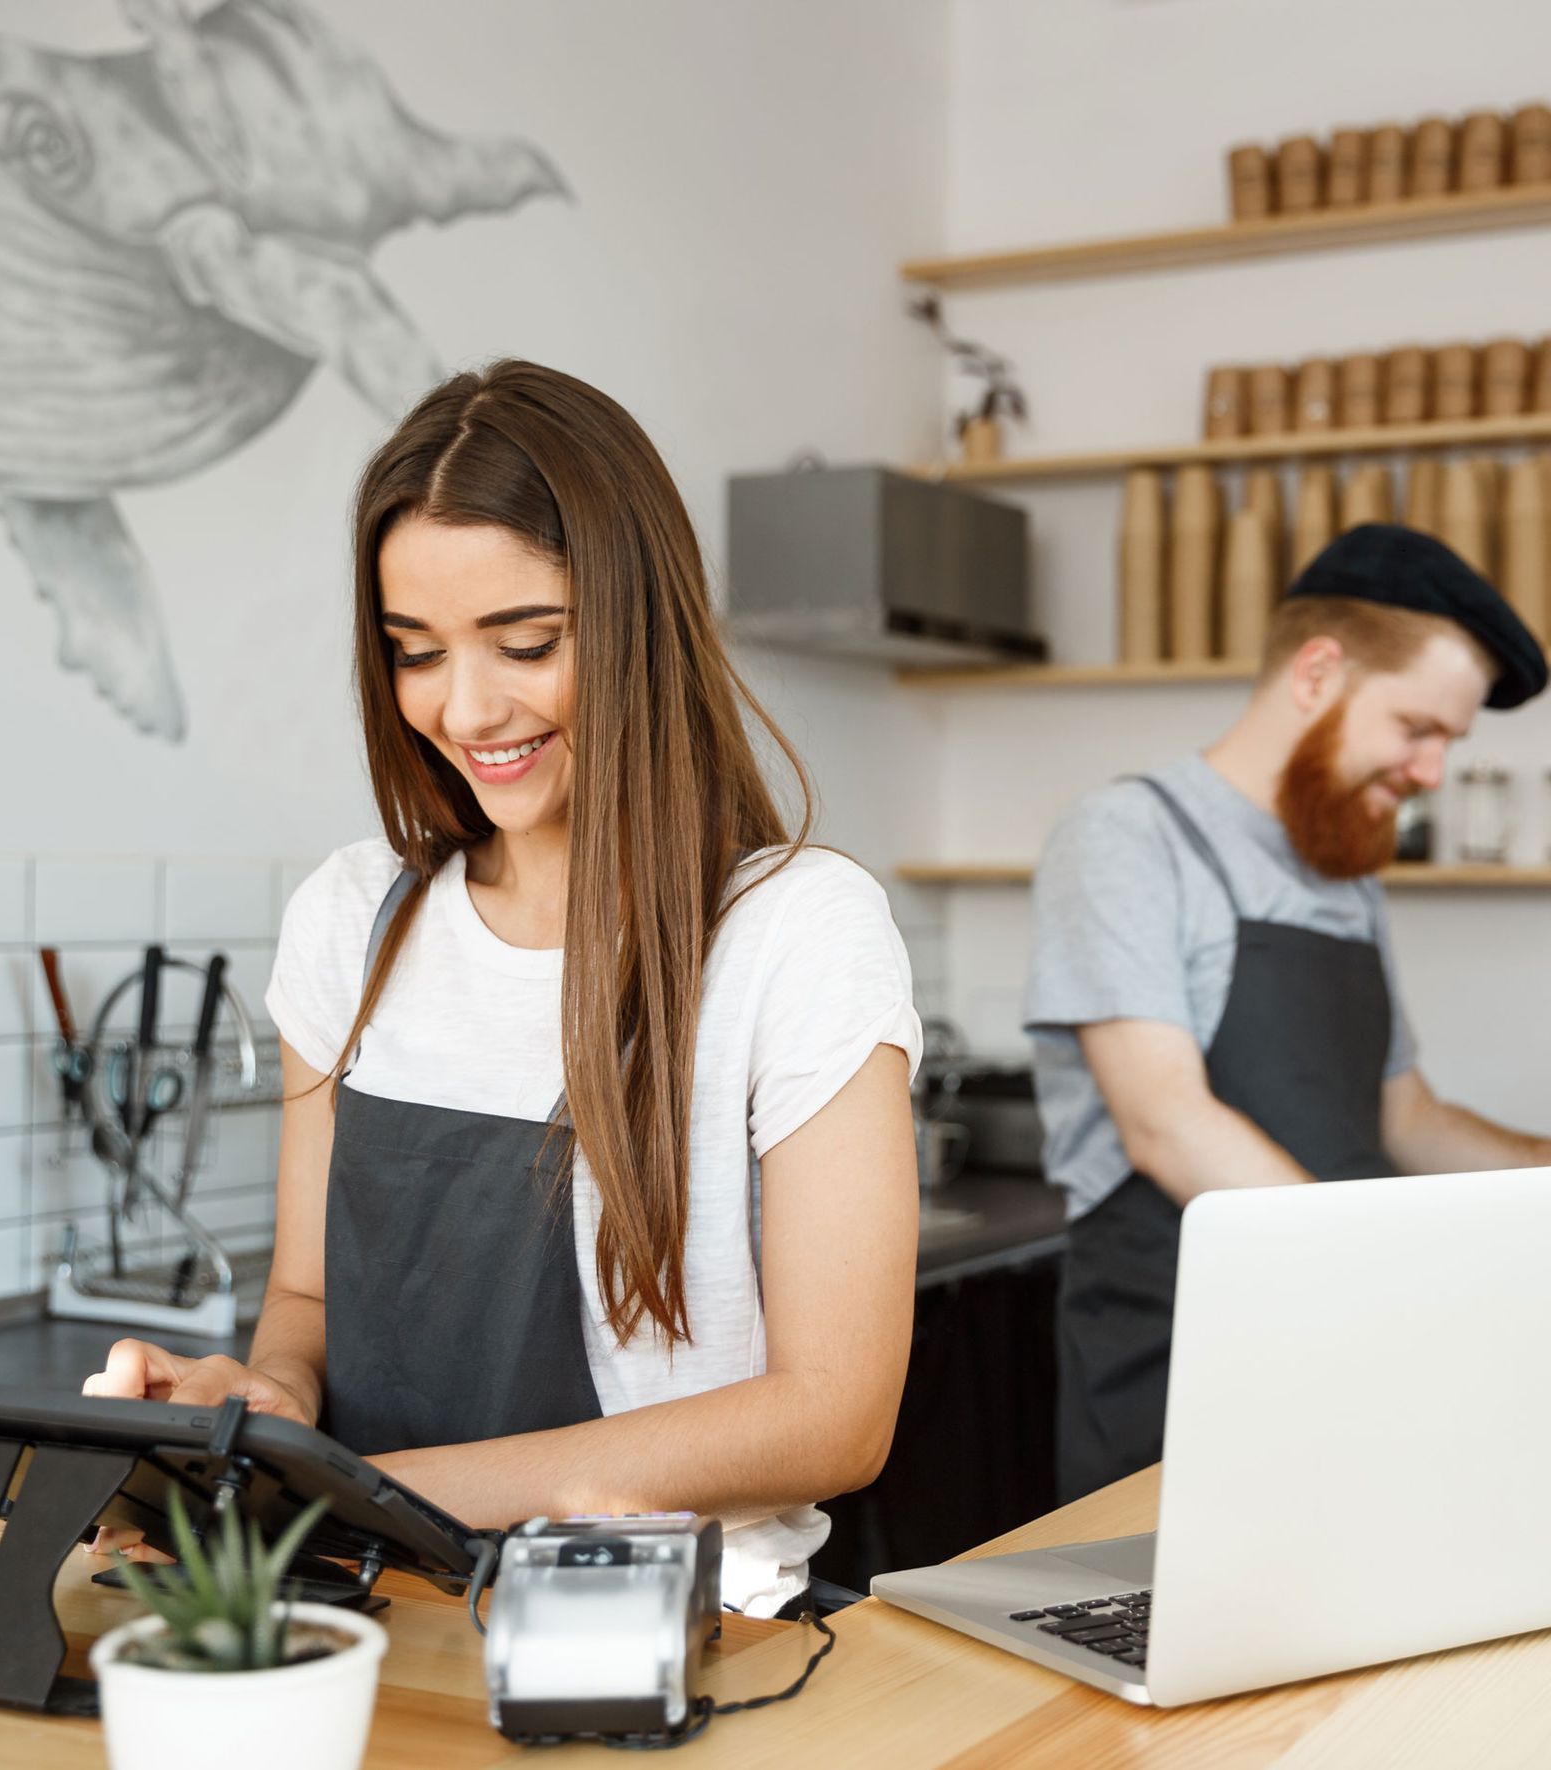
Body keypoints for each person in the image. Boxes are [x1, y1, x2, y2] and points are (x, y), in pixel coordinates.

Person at [84, 359, 922, 1614]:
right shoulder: (350, 923)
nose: (465, 708)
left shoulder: (792, 932)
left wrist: (345, 1484)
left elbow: (834, 1415)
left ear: (639, 620)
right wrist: (266, 1407)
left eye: (525, 642)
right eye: (414, 652)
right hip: (360, 1606)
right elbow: (307, 1302)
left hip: (660, 1631)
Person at [1026, 523, 1551, 1502]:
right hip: (1180, 1377)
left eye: (1450, 742)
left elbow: (1407, 1119)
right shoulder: (1129, 836)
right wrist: (1387, 1289)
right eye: (1419, 729)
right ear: (1318, 671)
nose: (1431, 771)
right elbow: (1166, 1124)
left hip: (1342, 1357)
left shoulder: (1341, 871)